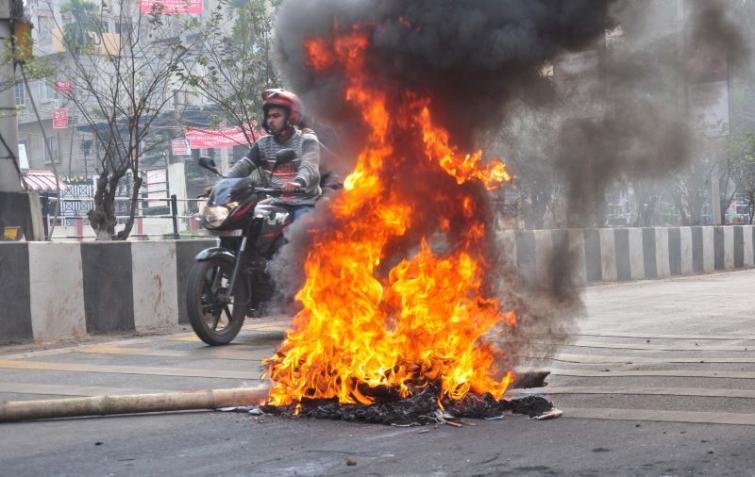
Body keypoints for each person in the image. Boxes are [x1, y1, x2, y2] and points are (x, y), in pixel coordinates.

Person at [227, 89, 321, 221]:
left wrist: (297, 182)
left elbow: (309, 167)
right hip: (277, 202)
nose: (270, 120)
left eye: (276, 116)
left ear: (291, 117)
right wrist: (222, 184)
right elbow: (243, 166)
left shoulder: (306, 139)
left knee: (302, 228)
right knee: (248, 222)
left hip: (304, 203)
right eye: (269, 116)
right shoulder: (263, 144)